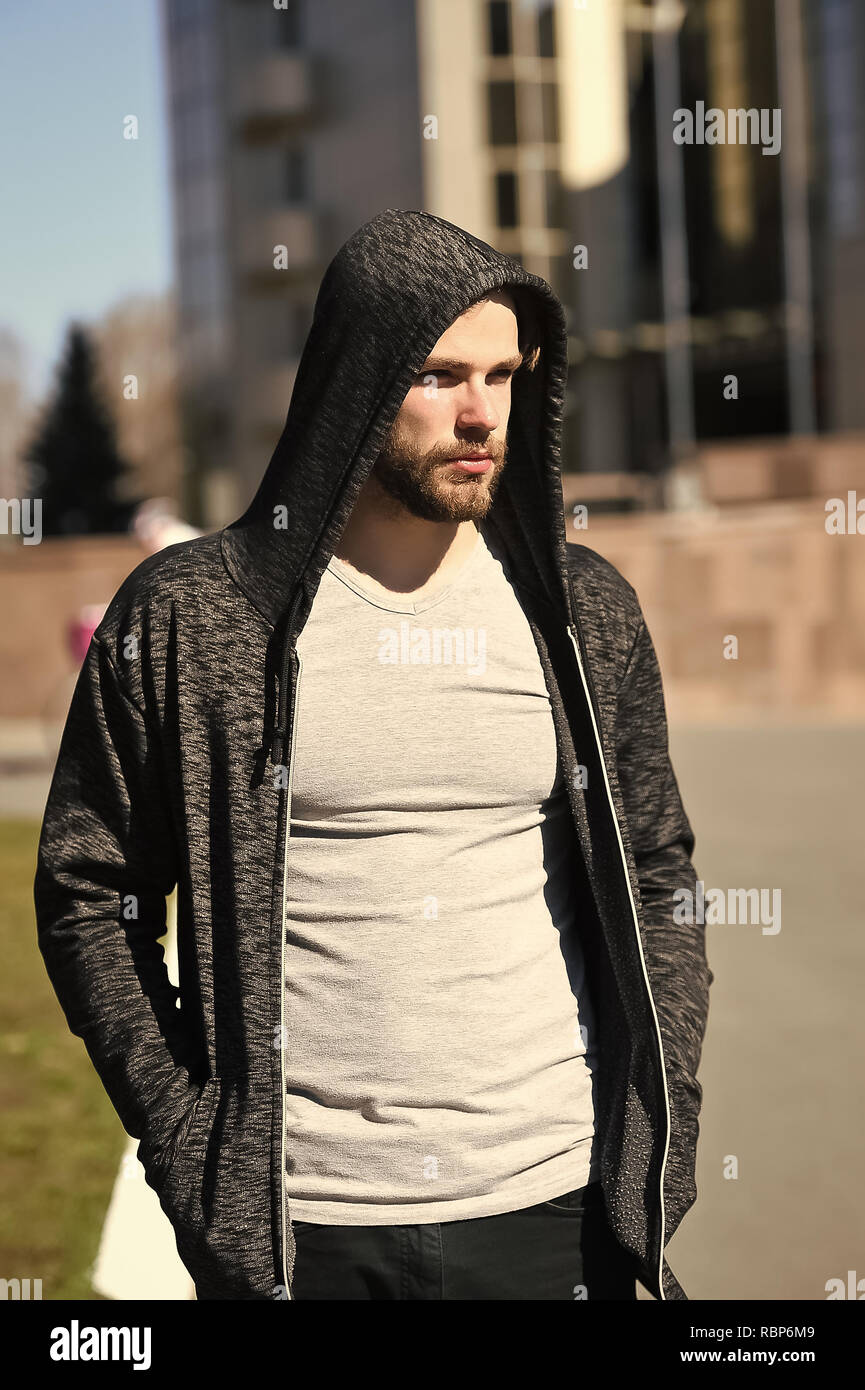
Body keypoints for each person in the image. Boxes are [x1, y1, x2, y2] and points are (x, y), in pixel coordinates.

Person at [34, 208, 711, 1302]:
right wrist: (187, 1138)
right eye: (440, 375)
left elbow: (659, 875)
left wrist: (658, 1100)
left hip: (553, 1205)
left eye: (504, 374)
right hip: (305, 1232)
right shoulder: (196, 617)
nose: (481, 412)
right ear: (356, 379)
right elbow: (86, 892)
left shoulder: (580, 615)